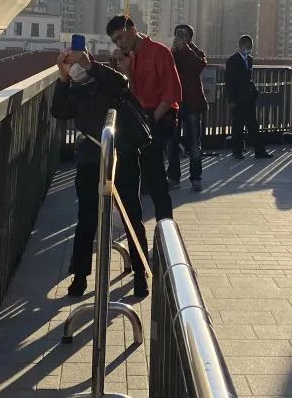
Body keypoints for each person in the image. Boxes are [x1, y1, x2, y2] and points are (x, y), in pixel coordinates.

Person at [49, 48, 151, 298]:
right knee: (87, 217)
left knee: (131, 215)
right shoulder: (73, 90)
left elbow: (121, 82)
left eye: (78, 61)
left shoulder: (106, 81)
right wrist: (62, 77)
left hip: (122, 154)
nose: (75, 66)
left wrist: (89, 64)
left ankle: (140, 273)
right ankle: (80, 276)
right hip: (91, 158)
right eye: (71, 63)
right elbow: (59, 111)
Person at [106, 15, 180, 220]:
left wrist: (151, 120)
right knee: (131, 173)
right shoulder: (129, 57)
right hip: (140, 117)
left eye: (121, 37)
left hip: (160, 115)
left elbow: (172, 94)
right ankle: (134, 223)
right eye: (115, 41)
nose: (120, 43)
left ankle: (164, 222)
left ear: (132, 30)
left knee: (154, 172)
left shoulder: (159, 51)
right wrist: (127, 72)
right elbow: (132, 96)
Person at [168, 24, 207, 192]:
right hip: (175, 104)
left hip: (192, 104)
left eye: (183, 35)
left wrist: (185, 49)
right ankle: (173, 177)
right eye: (178, 35)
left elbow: (199, 66)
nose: (180, 38)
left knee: (194, 144)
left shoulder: (196, 53)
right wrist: (175, 51)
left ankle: (196, 178)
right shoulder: (171, 53)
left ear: (189, 38)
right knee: (172, 144)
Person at [224, 34, 274, 160]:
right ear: (241, 46)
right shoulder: (232, 60)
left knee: (253, 125)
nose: (249, 49)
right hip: (237, 98)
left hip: (249, 98)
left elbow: (248, 78)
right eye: (247, 46)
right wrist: (231, 100)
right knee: (238, 126)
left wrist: (254, 92)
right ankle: (237, 151)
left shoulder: (250, 59)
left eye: (250, 47)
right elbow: (229, 82)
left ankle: (259, 151)